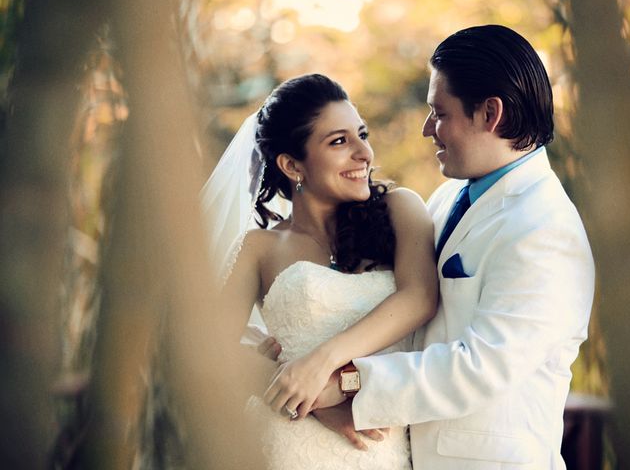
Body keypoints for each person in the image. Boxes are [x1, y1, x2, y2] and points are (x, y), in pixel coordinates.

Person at [277, 25, 595, 469]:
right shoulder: (447, 199)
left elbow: (481, 366)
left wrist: (345, 380)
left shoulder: (545, 228)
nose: (428, 129)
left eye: (439, 113)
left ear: (490, 114)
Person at [201, 73, 438, 468]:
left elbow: (420, 297)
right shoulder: (259, 247)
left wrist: (321, 365)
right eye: (339, 141)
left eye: (362, 134)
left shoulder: (401, 209)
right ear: (292, 165)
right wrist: (313, 405)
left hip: (379, 446)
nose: (364, 153)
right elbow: (213, 352)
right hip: (285, 444)